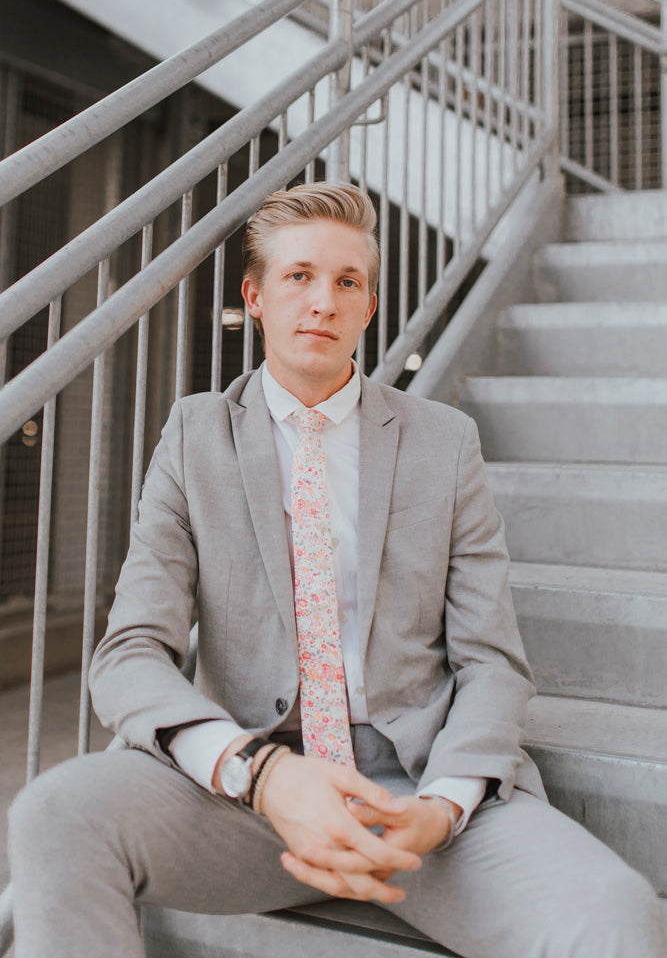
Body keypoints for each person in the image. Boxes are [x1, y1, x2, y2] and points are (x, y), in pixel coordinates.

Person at [8, 182, 666, 958]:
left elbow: (491, 661)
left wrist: (442, 806)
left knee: (616, 915)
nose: (322, 300)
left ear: (369, 307)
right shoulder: (195, 437)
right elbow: (128, 658)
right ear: (254, 296)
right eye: (299, 276)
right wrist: (259, 773)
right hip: (250, 796)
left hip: (413, 796)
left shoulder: (443, 442)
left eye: (346, 281)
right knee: (53, 813)